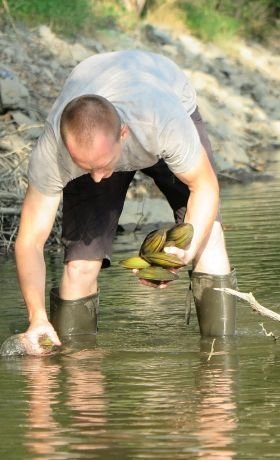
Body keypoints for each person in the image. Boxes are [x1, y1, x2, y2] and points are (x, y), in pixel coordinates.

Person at [15, 50, 237, 355]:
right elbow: (30, 241)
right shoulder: (53, 153)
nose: (98, 178)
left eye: (104, 165)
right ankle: (77, 374)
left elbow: (206, 186)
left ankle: (219, 364)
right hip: (97, 100)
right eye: (85, 167)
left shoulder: (163, 122)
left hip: (161, 98)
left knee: (209, 237)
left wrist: (182, 252)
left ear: (123, 133)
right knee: (80, 265)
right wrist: (36, 316)